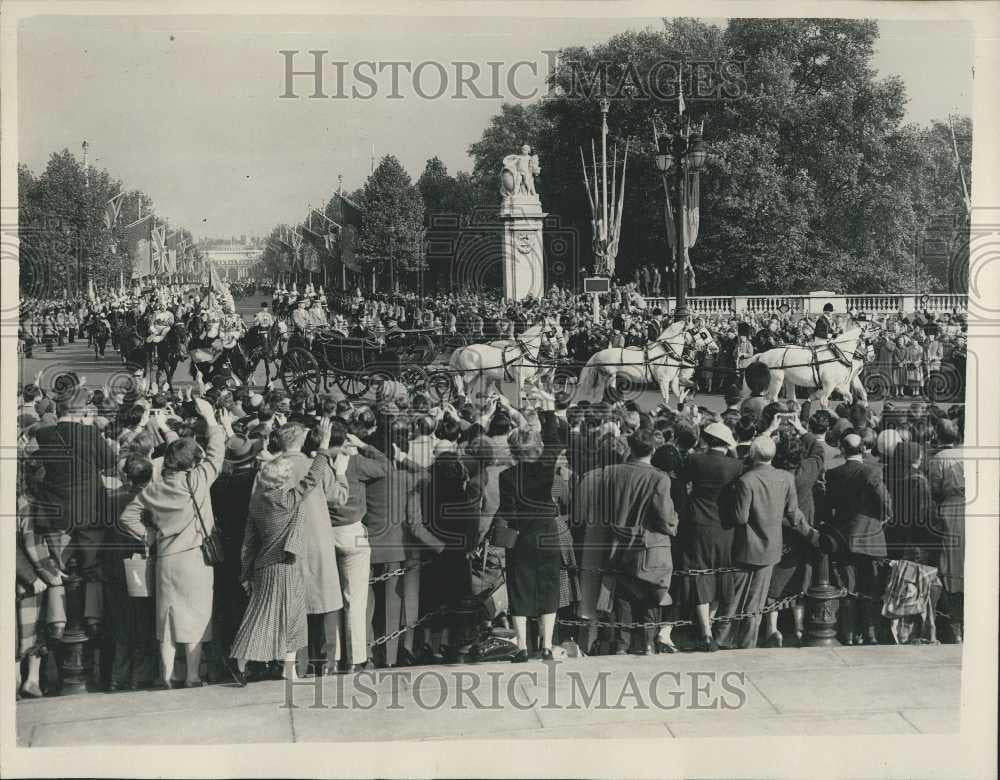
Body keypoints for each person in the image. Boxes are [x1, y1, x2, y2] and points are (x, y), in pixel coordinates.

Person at [225, 419, 348, 686]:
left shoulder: (260, 497)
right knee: (304, 614)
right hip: (293, 559)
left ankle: (252, 662)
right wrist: (327, 453)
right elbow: (317, 482)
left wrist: (245, 572)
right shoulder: (291, 496)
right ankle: (316, 665)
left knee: (260, 616)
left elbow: (249, 537)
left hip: (265, 562)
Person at [118, 395, 229, 688]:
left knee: (166, 619)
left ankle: (166, 675)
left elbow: (127, 517)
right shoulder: (198, 480)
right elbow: (217, 452)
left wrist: (150, 535)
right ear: (191, 462)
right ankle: (192, 675)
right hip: (196, 557)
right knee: (197, 616)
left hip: (166, 558)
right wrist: (211, 419)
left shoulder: (153, 489)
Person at [575, 428, 678, 655]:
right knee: (651, 593)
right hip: (647, 545)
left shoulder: (609, 472)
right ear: (653, 449)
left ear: (630, 447)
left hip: (615, 543)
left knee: (621, 596)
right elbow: (665, 518)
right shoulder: (659, 478)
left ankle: (622, 644)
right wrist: (675, 522)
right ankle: (647, 643)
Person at [729, 435, 818, 649]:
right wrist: (811, 533)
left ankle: (748, 635)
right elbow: (793, 513)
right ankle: (754, 637)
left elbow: (740, 517)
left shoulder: (746, 479)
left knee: (740, 596)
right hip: (775, 545)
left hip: (747, 545)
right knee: (763, 596)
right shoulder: (790, 477)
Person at [494, 391, 564, 662]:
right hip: (548, 531)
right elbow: (555, 442)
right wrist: (547, 412)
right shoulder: (546, 468)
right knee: (549, 587)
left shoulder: (507, 475)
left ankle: (522, 647)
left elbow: (508, 511)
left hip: (522, 535)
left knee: (519, 587)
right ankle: (546, 645)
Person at [677, 421, 743, 652]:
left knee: (699, 572)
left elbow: (680, 480)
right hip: (724, 526)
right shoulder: (735, 465)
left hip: (697, 521)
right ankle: (710, 626)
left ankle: (704, 630)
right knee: (720, 572)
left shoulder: (695, 460)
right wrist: (734, 449)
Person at [825, 432, 892, 645]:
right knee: (872, 588)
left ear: (842, 450)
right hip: (871, 536)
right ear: (863, 449)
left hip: (843, 536)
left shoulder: (833, 474)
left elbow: (830, 505)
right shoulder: (872, 472)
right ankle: (871, 633)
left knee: (848, 588)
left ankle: (849, 633)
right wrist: (883, 518)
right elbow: (885, 502)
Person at [927, 418, 965, 642]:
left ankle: (955, 625)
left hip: (951, 510)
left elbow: (934, 488)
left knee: (951, 563)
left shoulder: (940, 458)